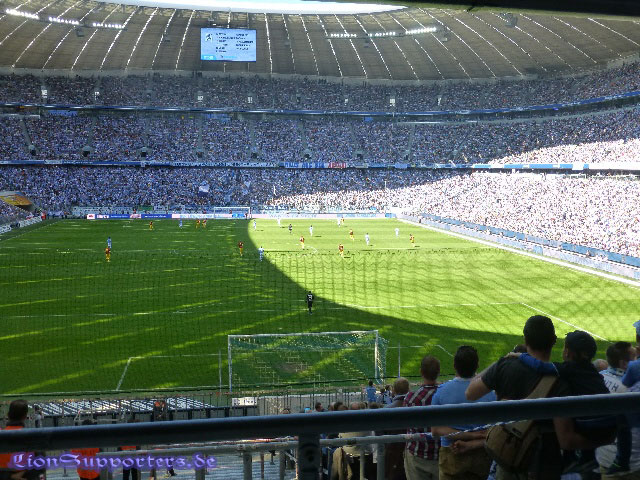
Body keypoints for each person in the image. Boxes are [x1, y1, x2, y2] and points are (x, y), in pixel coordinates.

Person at [466, 316, 608, 480]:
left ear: (525, 339)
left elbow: (470, 393)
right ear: (554, 341)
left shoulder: (505, 365)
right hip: (544, 466)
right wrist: (604, 439)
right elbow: (566, 441)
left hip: (508, 457)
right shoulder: (562, 382)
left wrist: (498, 364)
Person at [431, 346, 495, 480]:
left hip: (452, 452)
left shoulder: (441, 392)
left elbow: (435, 430)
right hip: (481, 453)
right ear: (477, 365)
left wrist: (468, 435)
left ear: (454, 366)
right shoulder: (491, 393)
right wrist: (473, 436)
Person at [404, 356, 441, 480]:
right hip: (440, 454)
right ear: (438, 372)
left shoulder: (410, 397)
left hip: (416, 453)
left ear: (421, 372)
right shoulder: (445, 395)